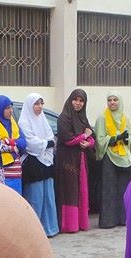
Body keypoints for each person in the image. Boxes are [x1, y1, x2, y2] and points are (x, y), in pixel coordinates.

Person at [18, 92, 59, 237]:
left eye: (41, 103)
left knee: (48, 197)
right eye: (36, 104)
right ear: (30, 105)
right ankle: (34, 232)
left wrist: (46, 143)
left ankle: (50, 228)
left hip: (46, 161)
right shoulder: (24, 122)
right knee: (35, 197)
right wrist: (47, 143)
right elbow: (31, 143)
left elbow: (50, 136)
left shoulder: (43, 119)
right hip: (33, 164)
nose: (40, 107)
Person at [54, 89, 94, 234]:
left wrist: (89, 142)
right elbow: (67, 139)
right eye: (75, 100)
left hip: (80, 159)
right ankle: (69, 225)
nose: (78, 103)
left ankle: (81, 222)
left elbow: (91, 135)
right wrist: (84, 136)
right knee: (69, 190)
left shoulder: (82, 117)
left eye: (81, 101)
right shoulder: (63, 118)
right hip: (66, 160)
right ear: (70, 100)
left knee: (80, 189)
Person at [94, 91, 131, 229]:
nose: (112, 102)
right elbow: (100, 140)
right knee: (109, 189)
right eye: (109, 100)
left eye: (115, 100)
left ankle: (123, 219)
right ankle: (108, 221)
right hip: (109, 157)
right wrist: (116, 138)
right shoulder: (102, 118)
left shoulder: (124, 117)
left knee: (123, 189)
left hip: (124, 158)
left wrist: (126, 138)